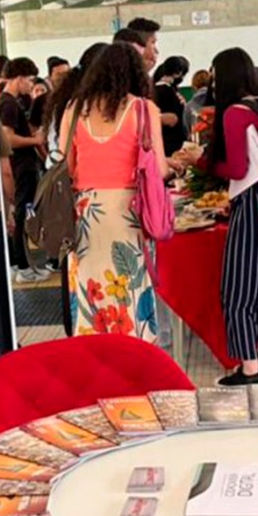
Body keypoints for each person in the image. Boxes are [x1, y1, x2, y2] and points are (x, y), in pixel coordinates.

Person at [59, 42, 166, 343]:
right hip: (128, 210)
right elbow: (159, 167)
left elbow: (66, 167)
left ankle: (94, 357)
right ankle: (134, 353)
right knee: (130, 283)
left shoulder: (74, 108)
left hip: (86, 211)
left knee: (88, 286)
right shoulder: (145, 110)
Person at [206, 48, 258, 385]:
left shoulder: (236, 113)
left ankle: (249, 365)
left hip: (253, 204)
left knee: (238, 288)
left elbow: (238, 168)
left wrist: (205, 162)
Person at [0, 57, 48, 283]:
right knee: (21, 214)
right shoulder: (8, 104)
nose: (30, 85)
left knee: (23, 213)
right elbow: (7, 139)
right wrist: (34, 140)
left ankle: (22, 263)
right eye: (28, 80)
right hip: (21, 167)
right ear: (18, 78)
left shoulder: (11, 102)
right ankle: (23, 265)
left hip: (23, 166)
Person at [153, 56, 190, 156]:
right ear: (179, 72)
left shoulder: (155, 88)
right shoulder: (167, 91)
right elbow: (173, 118)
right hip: (171, 143)